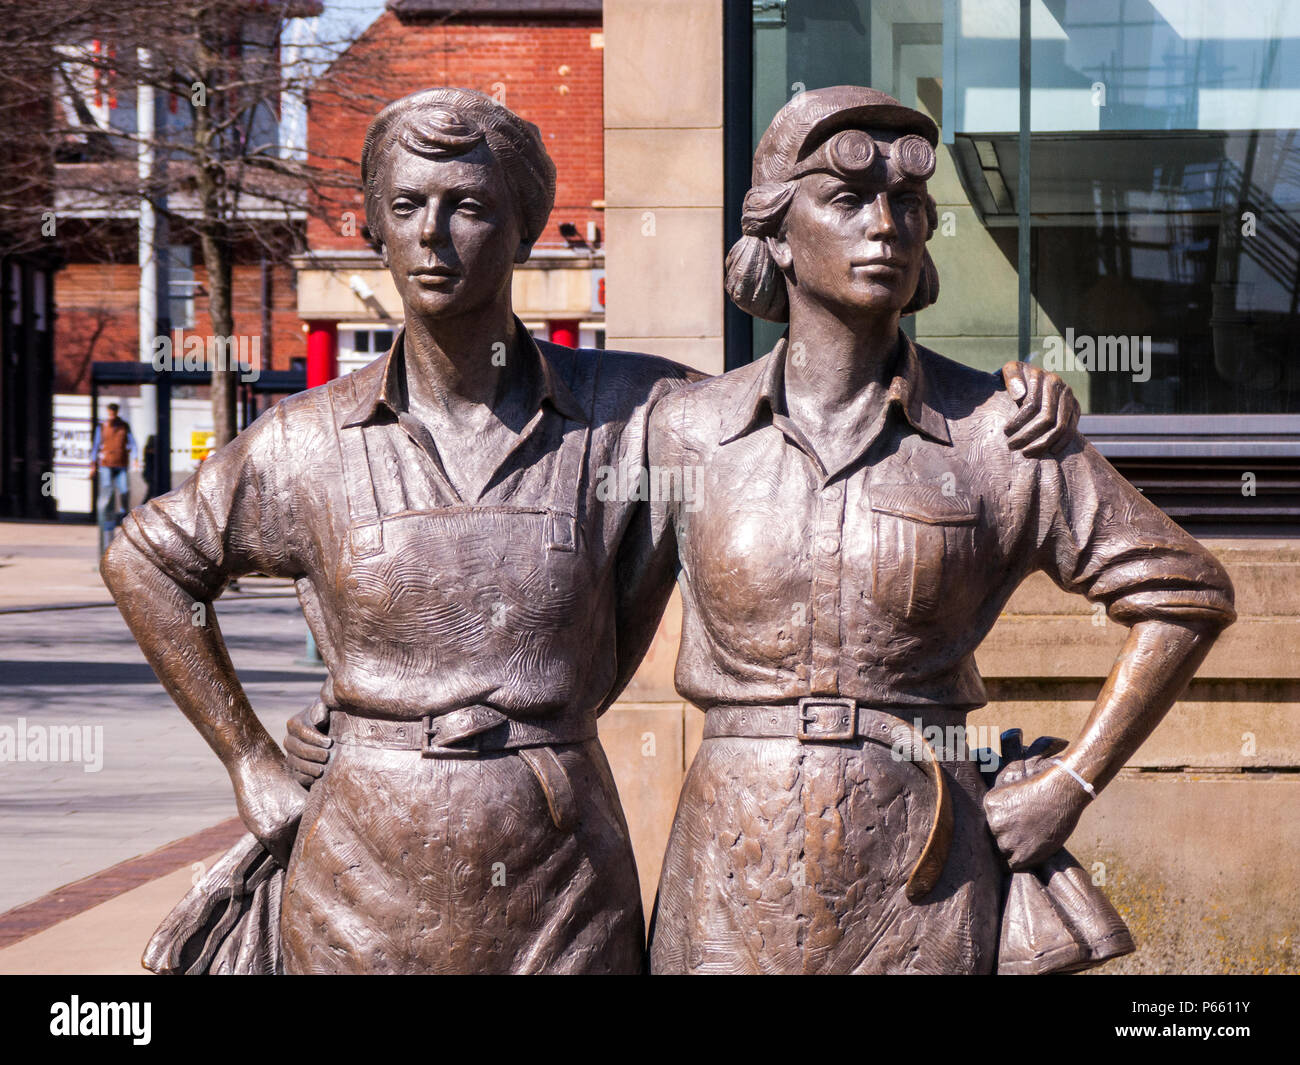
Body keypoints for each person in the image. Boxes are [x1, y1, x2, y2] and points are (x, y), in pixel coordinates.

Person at [105, 88, 1079, 975]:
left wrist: (1002, 400)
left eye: (470, 207)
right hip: (360, 865)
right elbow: (146, 560)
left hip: (559, 868)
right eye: (407, 208)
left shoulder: (640, 412)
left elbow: (816, 390)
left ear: (525, 229)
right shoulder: (304, 443)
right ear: (370, 228)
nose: (435, 236)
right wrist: (247, 757)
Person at [643, 87, 1236, 974]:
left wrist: (1071, 781)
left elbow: (1187, 593)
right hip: (731, 868)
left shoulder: (998, 434)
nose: (885, 225)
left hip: (923, 870)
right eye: (846, 201)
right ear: (774, 234)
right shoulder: (684, 428)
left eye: (909, 206)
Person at [91, 402, 137, 541]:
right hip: (106, 463)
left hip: (121, 463)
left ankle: (123, 514)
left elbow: (132, 443)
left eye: (113, 412)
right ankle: (106, 517)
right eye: (110, 412)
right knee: (107, 489)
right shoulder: (102, 427)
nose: (111, 415)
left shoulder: (124, 426)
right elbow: (96, 446)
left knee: (124, 490)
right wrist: (93, 464)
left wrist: (135, 458)